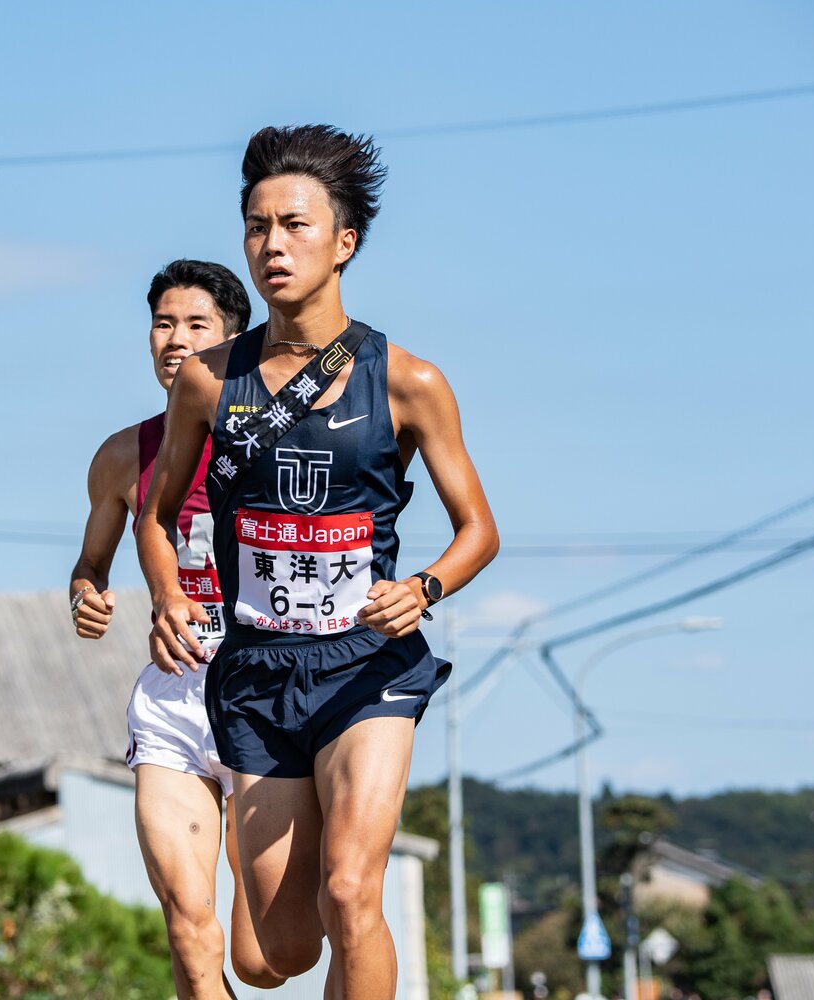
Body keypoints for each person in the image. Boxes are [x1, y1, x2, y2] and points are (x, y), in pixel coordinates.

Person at [137, 125, 499, 999]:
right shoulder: (209, 383)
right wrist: (164, 597)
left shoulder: (409, 381)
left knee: (351, 889)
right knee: (281, 954)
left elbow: (478, 529)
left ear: (344, 243)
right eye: (257, 227)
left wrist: (424, 587)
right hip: (257, 670)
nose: (271, 245)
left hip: (365, 668)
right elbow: (156, 514)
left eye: (294, 225)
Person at [70, 259, 282, 998]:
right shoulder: (125, 454)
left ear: (234, 340)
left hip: (268, 693)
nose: (175, 340)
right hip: (174, 697)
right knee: (189, 926)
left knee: (263, 958)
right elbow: (90, 564)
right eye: (164, 324)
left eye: (197, 326)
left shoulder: (272, 442)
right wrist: (87, 597)